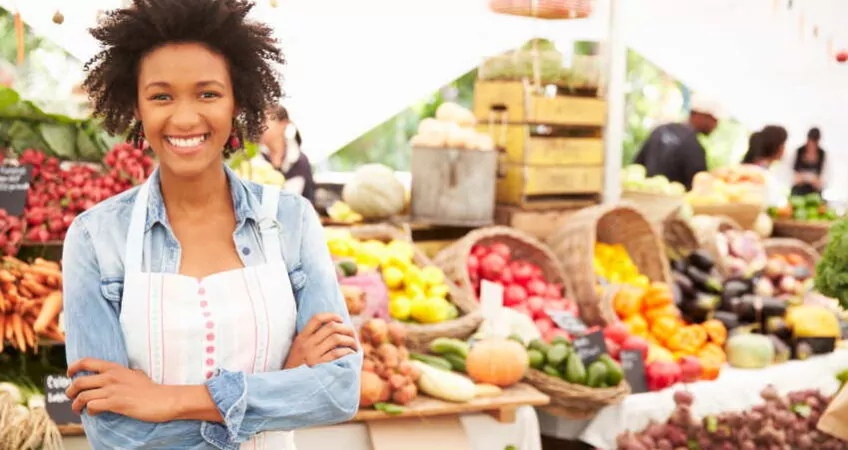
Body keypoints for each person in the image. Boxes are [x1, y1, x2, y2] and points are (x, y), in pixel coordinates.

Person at [61, 1, 361, 449]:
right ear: (136, 106)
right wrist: (283, 383)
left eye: (208, 94)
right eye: (161, 96)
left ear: (237, 99)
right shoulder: (95, 238)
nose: (184, 118)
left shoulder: (291, 221)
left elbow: (338, 392)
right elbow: (113, 430)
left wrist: (169, 400)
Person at [634, 94, 724, 190]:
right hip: (673, 203)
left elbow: (637, 166)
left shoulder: (660, 130)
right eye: (714, 120)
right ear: (702, 115)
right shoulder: (694, 147)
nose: (715, 125)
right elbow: (699, 188)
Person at [260, 106, 316, 204]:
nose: (260, 126)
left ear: (283, 124)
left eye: (265, 121)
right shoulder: (253, 160)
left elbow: (306, 200)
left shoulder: (299, 161)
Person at [791, 127, 827, 196]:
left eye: (814, 143)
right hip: (797, 192)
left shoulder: (823, 154)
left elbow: (825, 179)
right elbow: (790, 174)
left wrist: (817, 181)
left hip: (815, 195)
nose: (812, 146)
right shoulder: (798, 151)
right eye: (810, 142)